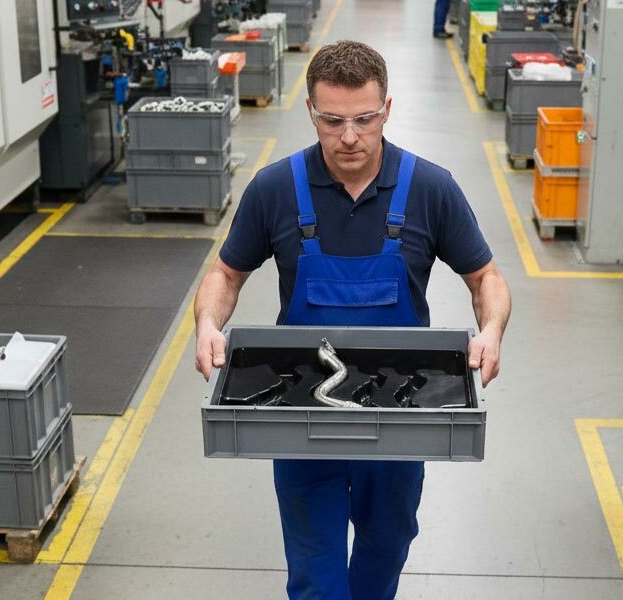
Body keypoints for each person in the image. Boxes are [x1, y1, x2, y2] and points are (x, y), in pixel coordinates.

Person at [193, 40, 511, 600]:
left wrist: (489, 331)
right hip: (300, 421)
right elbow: (225, 274)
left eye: (364, 120)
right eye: (332, 120)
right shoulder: (275, 188)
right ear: (311, 111)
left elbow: (486, 278)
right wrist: (208, 323)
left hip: (401, 420)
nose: (348, 137)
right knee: (315, 569)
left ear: (387, 108)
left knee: (386, 549)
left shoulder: (430, 187)